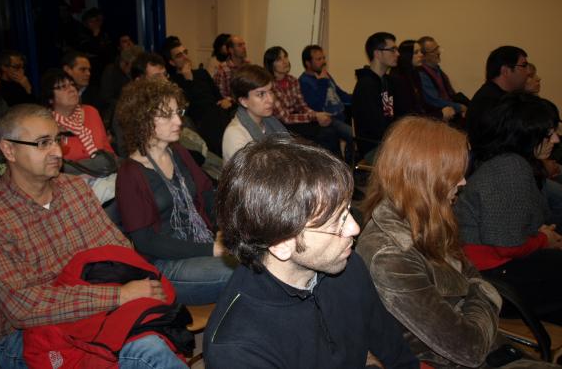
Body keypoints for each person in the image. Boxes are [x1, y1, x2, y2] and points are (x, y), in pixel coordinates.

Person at [0, 104, 187, 368]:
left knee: (158, 329)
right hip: (25, 335)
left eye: (58, 140)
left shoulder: (74, 189)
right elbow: (23, 308)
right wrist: (118, 296)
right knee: (146, 349)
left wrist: (125, 293)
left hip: (94, 308)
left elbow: (118, 251)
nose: (57, 151)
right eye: (43, 143)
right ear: (8, 149)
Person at [204, 134, 418, 368]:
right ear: (281, 244)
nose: (354, 228)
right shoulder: (237, 348)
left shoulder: (346, 265)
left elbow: (396, 352)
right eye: (336, 221)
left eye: (347, 211)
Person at [357, 116, 555, 368]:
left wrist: (477, 295)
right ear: (425, 177)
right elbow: (469, 349)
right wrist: (485, 296)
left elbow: (472, 276)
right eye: (454, 173)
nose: (463, 182)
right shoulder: (389, 256)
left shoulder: (426, 220)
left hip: (488, 346)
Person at [115, 78, 233, 305]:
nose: (179, 121)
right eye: (167, 115)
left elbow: (208, 196)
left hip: (201, 246)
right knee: (240, 273)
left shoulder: (177, 152)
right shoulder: (130, 174)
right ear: (144, 120)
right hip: (164, 264)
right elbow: (146, 242)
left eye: (178, 112)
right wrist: (212, 249)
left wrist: (224, 230)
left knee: (254, 260)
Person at [455, 93, 562, 325]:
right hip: (491, 280)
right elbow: (506, 245)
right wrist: (544, 239)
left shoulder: (506, 162)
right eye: (549, 133)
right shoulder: (510, 169)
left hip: (491, 271)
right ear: (527, 135)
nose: (555, 139)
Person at [263, 46, 340, 155]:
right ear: (271, 64)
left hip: (295, 120)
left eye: (285, 57)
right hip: (279, 125)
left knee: (330, 130)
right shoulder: (269, 85)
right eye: (279, 59)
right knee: (324, 134)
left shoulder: (292, 80)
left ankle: (337, 166)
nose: (285, 61)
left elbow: (302, 106)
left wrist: (317, 115)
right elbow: (285, 118)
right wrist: (314, 116)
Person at [162, 36, 231, 156]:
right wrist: (189, 80)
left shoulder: (202, 73)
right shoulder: (172, 82)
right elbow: (190, 106)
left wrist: (226, 101)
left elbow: (217, 96)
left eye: (185, 52)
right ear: (172, 62)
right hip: (199, 120)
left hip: (217, 113)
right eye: (179, 55)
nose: (185, 57)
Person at [41, 69, 114, 162]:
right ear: (50, 98)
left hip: (103, 171)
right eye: (63, 87)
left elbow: (107, 149)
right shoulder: (45, 123)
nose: (72, 89)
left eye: (72, 84)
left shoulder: (91, 112)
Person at [465, 45, 529, 148]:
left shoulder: (501, 96)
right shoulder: (491, 102)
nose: (528, 72)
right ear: (505, 71)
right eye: (524, 65)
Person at [299, 44, 354, 163]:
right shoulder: (304, 81)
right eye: (319, 59)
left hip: (341, 114)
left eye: (323, 58)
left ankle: (351, 162)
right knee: (353, 135)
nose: (323, 62)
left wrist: (357, 98)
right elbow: (315, 104)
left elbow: (340, 93)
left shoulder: (325, 75)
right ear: (308, 63)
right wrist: (322, 82)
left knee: (360, 132)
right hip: (329, 119)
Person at [222, 64, 286, 161]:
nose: (270, 100)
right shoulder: (235, 135)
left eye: (271, 91)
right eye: (261, 94)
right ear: (243, 101)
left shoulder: (269, 121)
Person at [352, 32, 397, 162]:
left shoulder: (386, 81)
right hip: (374, 147)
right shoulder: (366, 86)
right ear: (377, 53)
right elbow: (375, 127)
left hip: (389, 143)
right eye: (392, 50)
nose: (397, 54)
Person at [390, 40, 453, 120]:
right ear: (407, 56)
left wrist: (443, 110)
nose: (421, 55)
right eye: (416, 52)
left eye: (420, 51)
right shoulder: (398, 79)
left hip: (420, 119)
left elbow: (422, 105)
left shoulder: (415, 74)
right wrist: (440, 114)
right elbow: (409, 114)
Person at [417, 36, 467, 119]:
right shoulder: (421, 74)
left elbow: (451, 94)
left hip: (451, 110)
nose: (438, 52)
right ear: (424, 56)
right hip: (439, 116)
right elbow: (434, 101)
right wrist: (460, 107)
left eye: (437, 48)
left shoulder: (437, 70)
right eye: (433, 51)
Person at [213, 34, 247, 99]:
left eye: (244, 44)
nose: (244, 47)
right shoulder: (222, 69)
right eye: (240, 45)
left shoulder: (248, 65)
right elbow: (220, 96)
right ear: (231, 50)